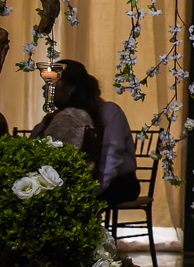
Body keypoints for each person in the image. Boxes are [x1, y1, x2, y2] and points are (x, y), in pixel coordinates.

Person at [31, 60, 140, 206]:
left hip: (116, 182)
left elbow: (110, 156)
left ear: (70, 88)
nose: (45, 87)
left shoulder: (109, 111)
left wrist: (92, 190)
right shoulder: (63, 116)